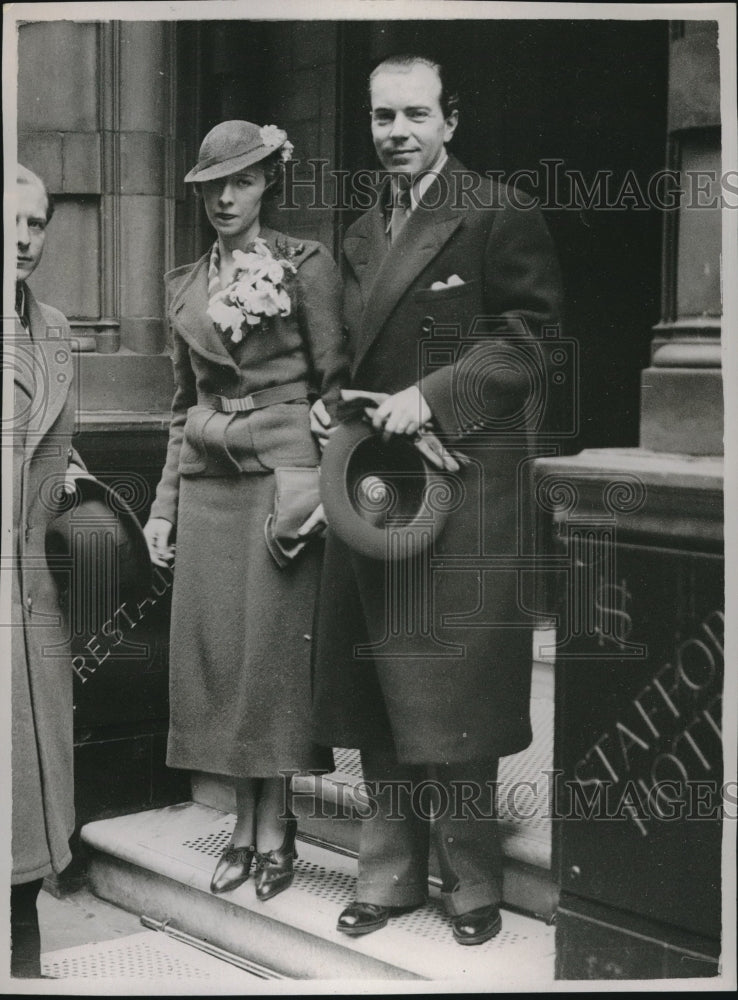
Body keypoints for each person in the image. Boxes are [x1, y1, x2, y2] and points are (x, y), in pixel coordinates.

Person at [311, 55, 563, 945]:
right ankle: (386, 875)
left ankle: (472, 883)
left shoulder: (499, 210)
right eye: (383, 118)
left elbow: (529, 347)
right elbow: (342, 356)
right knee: (384, 680)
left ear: (450, 119)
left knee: (451, 690)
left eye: (415, 115)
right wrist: (334, 398)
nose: (397, 134)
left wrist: (435, 394)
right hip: (381, 486)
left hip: (465, 487)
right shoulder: (361, 230)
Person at [144, 121, 347, 902]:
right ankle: (240, 825)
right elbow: (177, 405)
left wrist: (321, 483)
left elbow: (334, 385)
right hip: (207, 481)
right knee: (221, 659)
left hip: (280, 477)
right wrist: (162, 509)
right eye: (212, 186)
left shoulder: (306, 266)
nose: (225, 198)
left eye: (242, 182)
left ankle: (277, 824)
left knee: (271, 660)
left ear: (268, 182)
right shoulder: (182, 285)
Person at [8, 165, 85, 976]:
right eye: (13, 224)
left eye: (36, 225)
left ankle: (24, 958)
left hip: (33, 593)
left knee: (34, 774)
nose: (25, 241)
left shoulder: (56, 329)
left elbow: (59, 447)